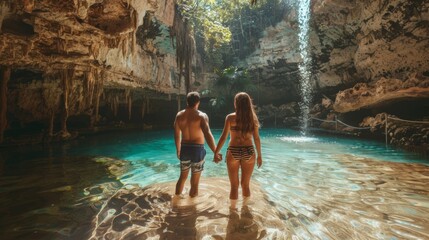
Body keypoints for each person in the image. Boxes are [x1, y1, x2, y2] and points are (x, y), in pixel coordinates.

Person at [214, 92, 262, 209]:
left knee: (234, 186)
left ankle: (233, 211)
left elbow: (224, 136)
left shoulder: (230, 118)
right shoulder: (253, 119)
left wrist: (216, 152)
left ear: (236, 103)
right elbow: (256, 138)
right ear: (248, 104)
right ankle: (246, 210)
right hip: (249, 151)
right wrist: (260, 156)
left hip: (233, 151)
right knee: (245, 185)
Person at [174, 91, 220, 198]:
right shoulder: (202, 116)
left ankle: (176, 202)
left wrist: (178, 149)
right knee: (195, 182)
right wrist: (215, 151)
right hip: (197, 150)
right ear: (198, 102)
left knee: (182, 177)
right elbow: (208, 134)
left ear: (187, 102)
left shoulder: (179, 115)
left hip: (184, 148)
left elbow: (176, 134)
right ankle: (192, 208)